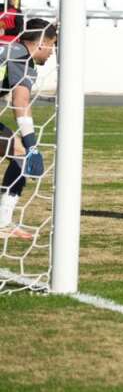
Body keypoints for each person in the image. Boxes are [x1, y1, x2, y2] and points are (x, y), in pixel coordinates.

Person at [0, 20, 58, 241]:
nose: (52, 52)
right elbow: (21, 101)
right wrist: (32, 144)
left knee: (17, 152)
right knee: (23, 153)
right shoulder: (22, 58)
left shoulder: (10, 49)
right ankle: (3, 224)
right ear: (42, 43)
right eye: (52, 45)